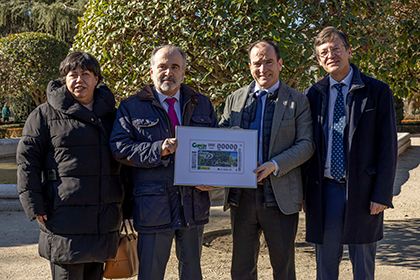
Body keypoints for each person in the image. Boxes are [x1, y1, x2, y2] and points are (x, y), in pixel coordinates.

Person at [110, 45, 218, 280]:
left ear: (183, 72)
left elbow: (215, 147)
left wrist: (213, 178)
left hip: (193, 203)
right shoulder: (131, 106)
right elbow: (119, 148)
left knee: (192, 273)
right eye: (162, 66)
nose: (168, 72)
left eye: (174, 67)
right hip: (153, 205)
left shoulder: (202, 104)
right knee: (150, 273)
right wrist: (156, 149)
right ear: (151, 71)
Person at [17, 52, 124, 280]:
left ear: (97, 79)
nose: (79, 80)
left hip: (103, 218)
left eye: (86, 74)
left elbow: (125, 165)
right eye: (72, 74)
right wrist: (34, 204)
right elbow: (28, 162)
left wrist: (128, 208)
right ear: (64, 79)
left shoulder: (113, 117)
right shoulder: (44, 115)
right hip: (63, 218)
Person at [303, 26, 397, 280]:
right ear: (319, 59)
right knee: (325, 265)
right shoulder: (313, 95)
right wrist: (303, 193)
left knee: (363, 265)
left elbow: (388, 148)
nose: (331, 55)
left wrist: (382, 194)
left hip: (364, 191)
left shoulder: (377, 91)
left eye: (336, 48)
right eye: (324, 52)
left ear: (349, 51)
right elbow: (306, 147)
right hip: (325, 191)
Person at [219, 40, 315, 280]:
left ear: (280, 64)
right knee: (241, 269)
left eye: (269, 62)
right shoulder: (234, 99)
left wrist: (275, 165)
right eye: (257, 63)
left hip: (279, 197)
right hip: (242, 197)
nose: (263, 69)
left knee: (283, 268)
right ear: (250, 66)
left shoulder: (298, 101)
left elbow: (306, 145)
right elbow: (219, 137)